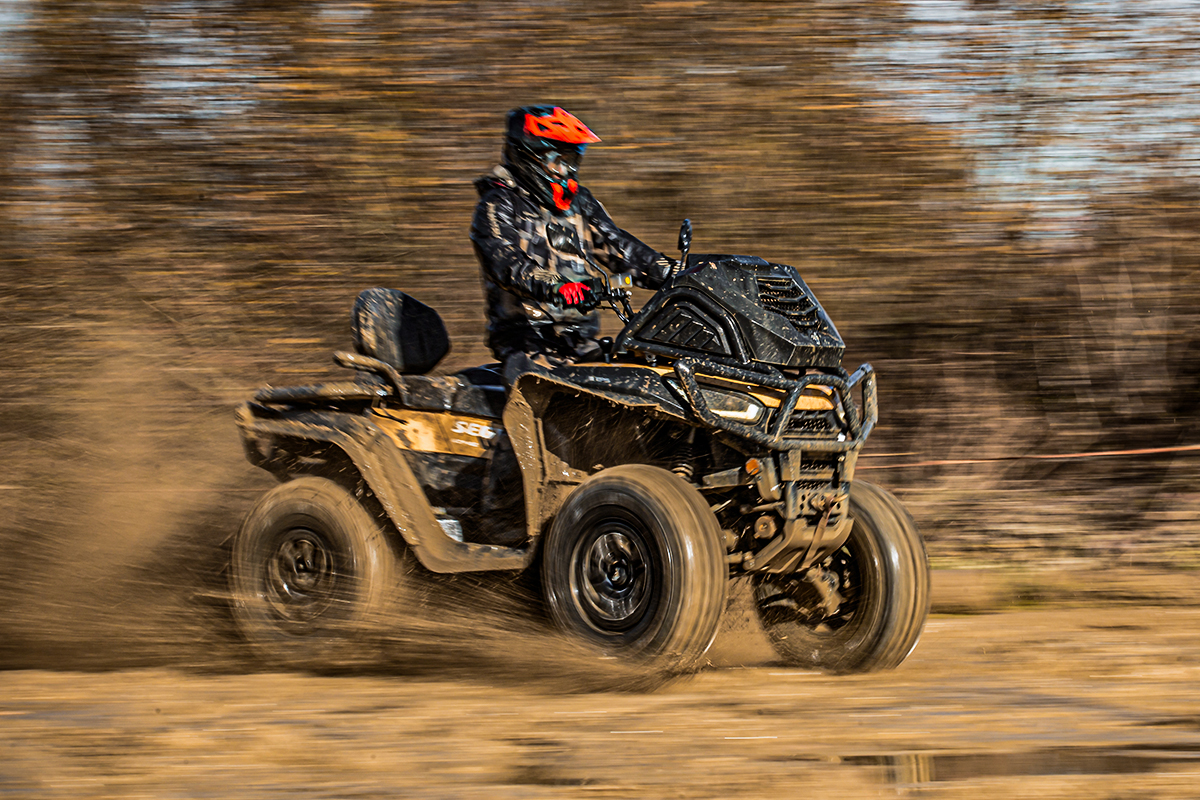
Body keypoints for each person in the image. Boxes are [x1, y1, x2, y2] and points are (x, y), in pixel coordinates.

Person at [471, 105, 676, 378]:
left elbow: (618, 247)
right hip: (527, 341)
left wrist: (671, 271)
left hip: (581, 341)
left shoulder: (579, 203)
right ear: (526, 156)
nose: (564, 171)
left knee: (642, 376)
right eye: (556, 160)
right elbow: (503, 260)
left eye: (571, 161)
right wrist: (554, 285)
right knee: (539, 391)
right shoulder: (498, 204)